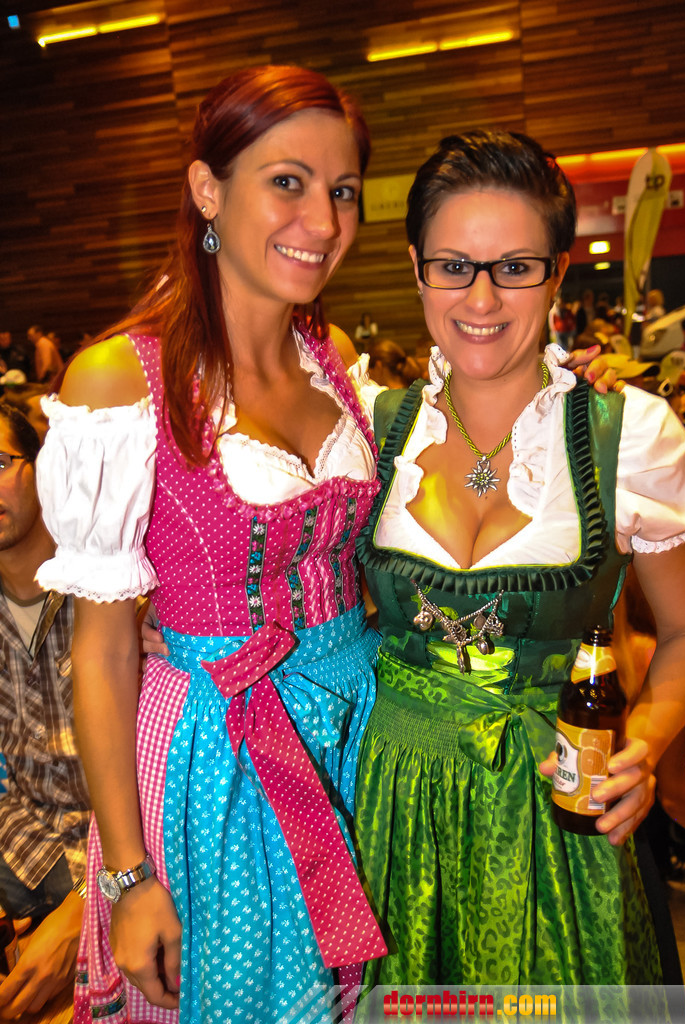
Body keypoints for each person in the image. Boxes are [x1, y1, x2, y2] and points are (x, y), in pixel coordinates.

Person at [34, 65, 389, 1024]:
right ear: (206, 189)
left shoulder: (334, 361)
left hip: (358, 737)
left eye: (343, 190)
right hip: (219, 763)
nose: (323, 220)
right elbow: (102, 653)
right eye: (288, 182)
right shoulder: (122, 379)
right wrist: (126, 876)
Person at [353, 128, 685, 989]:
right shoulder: (366, 427)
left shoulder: (627, 437)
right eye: (453, 265)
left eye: (514, 266)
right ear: (418, 269)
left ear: (558, 271)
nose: (482, 296)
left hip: (557, 814)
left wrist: (644, 748)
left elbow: (684, 631)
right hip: (390, 813)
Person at [0, 404, 90, 1019]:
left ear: (42, 467)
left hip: (132, 852)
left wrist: (89, 905)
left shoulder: (111, 584)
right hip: (27, 843)